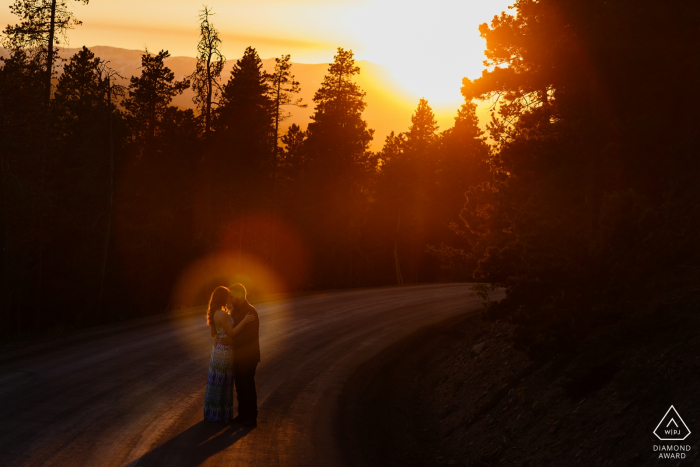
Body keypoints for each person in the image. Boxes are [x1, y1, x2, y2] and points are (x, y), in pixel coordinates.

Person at [203, 286, 256, 422]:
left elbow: (213, 333)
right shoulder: (223, 313)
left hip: (219, 350)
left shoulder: (217, 312)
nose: (229, 299)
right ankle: (220, 414)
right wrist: (244, 321)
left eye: (230, 296)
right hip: (224, 352)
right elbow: (231, 333)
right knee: (223, 382)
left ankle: (215, 412)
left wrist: (220, 335)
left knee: (218, 382)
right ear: (222, 298)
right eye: (227, 296)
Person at [218, 283, 260, 427]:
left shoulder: (251, 311)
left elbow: (250, 335)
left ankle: (251, 417)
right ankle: (242, 415)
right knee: (240, 386)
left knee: (247, 385)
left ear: (240, 295)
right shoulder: (234, 310)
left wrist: (231, 340)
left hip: (249, 356)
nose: (230, 298)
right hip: (237, 355)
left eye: (232, 295)